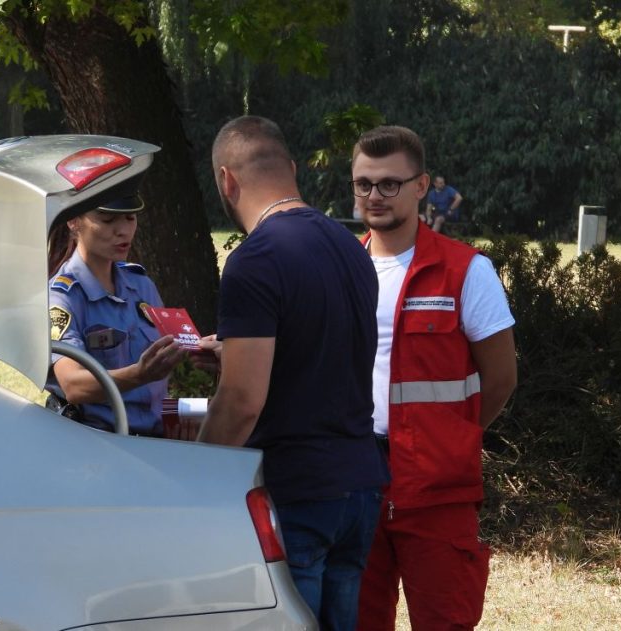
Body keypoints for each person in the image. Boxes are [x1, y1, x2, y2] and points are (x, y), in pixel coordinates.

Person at [196, 115, 389, 630]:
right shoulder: (352, 248)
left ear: (226, 180)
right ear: (293, 170)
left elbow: (241, 401)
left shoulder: (254, 259)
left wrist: (193, 479)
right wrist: (231, 351)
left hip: (299, 489)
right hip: (360, 481)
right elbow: (322, 345)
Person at [351, 125, 517, 631]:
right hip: (355, 479)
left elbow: (502, 377)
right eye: (363, 184)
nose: (374, 196)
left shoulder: (466, 270)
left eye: (389, 184)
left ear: (421, 186)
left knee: (444, 621)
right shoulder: (342, 267)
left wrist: (454, 435)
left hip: (437, 487)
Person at [45, 195, 190, 438]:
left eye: (130, 218)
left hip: (158, 438)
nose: (123, 231)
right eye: (108, 219)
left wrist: (204, 348)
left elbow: (172, 343)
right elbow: (73, 385)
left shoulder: (141, 284)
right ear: (73, 221)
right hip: (97, 443)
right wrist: (139, 375)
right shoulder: (62, 297)